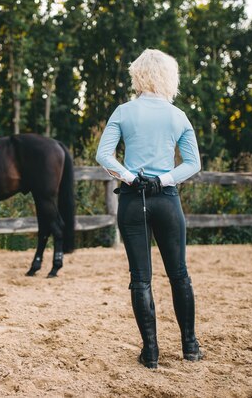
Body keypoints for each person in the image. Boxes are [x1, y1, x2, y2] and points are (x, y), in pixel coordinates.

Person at [95, 48, 203, 369]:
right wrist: (164, 179)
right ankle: (190, 346)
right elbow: (193, 164)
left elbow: (104, 155)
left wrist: (130, 177)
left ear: (138, 75)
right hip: (167, 200)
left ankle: (151, 352)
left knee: (140, 279)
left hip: (133, 199)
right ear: (170, 77)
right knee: (179, 275)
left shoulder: (124, 111)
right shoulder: (178, 116)